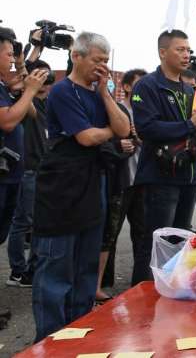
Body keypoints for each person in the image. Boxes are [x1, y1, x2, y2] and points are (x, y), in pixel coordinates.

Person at [31, 32, 130, 341]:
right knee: (56, 265)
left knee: (87, 264)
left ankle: (79, 331)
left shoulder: (98, 92)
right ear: (77, 56)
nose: (102, 67)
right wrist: (108, 131)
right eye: (97, 60)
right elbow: (87, 137)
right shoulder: (62, 91)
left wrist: (105, 94)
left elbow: (125, 129)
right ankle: (48, 339)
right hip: (62, 185)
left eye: (106, 61)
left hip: (94, 182)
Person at [130, 30, 196, 284]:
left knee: (179, 240)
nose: (186, 54)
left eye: (188, 49)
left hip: (188, 175)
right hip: (160, 175)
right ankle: (143, 294)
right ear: (162, 52)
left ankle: (172, 289)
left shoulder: (190, 88)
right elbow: (147, 128)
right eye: (180, 49)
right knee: (155, 240)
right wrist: (190, 124)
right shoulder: (147, 85)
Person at [95, 68, 147, 300]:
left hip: (144, 181)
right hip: (122, 180)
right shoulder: (118, 109)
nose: (142, 90)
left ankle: (142, 278)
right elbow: (111, 141)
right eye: (138, 85)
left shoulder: (147, 111)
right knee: (111, 233)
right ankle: (103, 282)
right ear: (126, 87)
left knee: (142, 232)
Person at [6, 60, 52, 288]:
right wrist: (29, 56)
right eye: (40, 77)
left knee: (35, 222)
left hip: (41, 170)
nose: (44, 82)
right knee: (22, 222)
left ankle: (32, 270)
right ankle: (18, 271)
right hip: (27, 170)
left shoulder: (45, 105)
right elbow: (23, 69)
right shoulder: (22, 101)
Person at [1, 27, 48, 248]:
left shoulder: (5, 88)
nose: (12, 60)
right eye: (9, 55)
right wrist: (29, 90)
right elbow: (8, 121)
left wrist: (23, 70)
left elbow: (31, 112)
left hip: (11, 172)